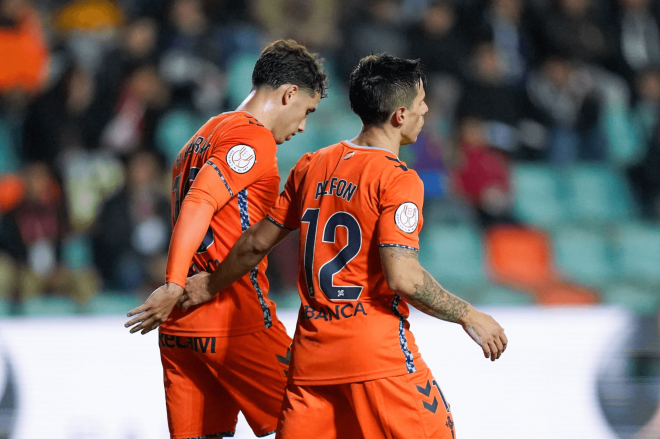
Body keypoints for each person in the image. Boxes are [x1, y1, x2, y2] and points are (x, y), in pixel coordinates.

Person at [183, 54, 508, 439]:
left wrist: (210, 283)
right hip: (379, 360)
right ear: (400, 115)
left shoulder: (311, 165)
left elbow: (255, 244)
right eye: (421, 101)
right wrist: (468, 315)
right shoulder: (398, 179)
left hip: (311, 365)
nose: (426, 109)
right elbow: (403, 277)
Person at [123, 39, 328, 439]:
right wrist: (174, 283)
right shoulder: (251, 138)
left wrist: (176, 288)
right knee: (320, 421)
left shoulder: (200, 137)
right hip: (233, 319)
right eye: (306, 111)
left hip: (180, 330)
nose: (302, 125)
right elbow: (200, 202)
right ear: (288, 94)